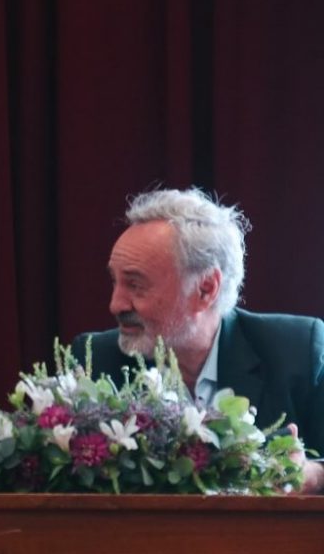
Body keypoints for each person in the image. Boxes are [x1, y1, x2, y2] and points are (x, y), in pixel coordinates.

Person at [71, 187, 324, 492]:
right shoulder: (95, 361)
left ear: (206, 289)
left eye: (136, 285)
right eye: (115, 281)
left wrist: (312, 476)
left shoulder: (298, 351)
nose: (116, 304)